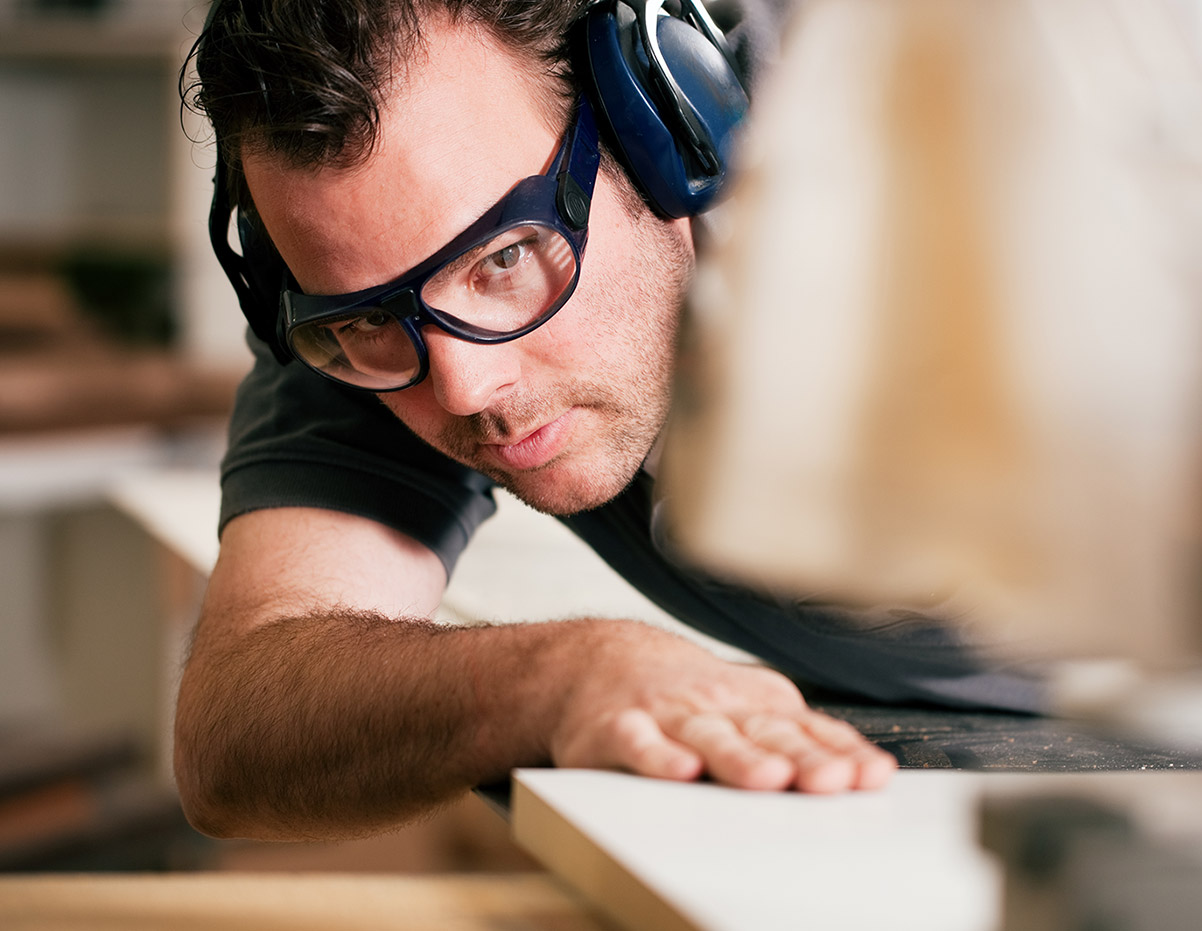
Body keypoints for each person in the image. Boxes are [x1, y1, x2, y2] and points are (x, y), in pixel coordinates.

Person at [174, 0, 1041, 842]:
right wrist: (555, 678)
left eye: (505, 257)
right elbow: (238, 724)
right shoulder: (366, 317)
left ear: (662, 120)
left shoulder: (966, 153)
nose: (467, 387)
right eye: (367, 319)